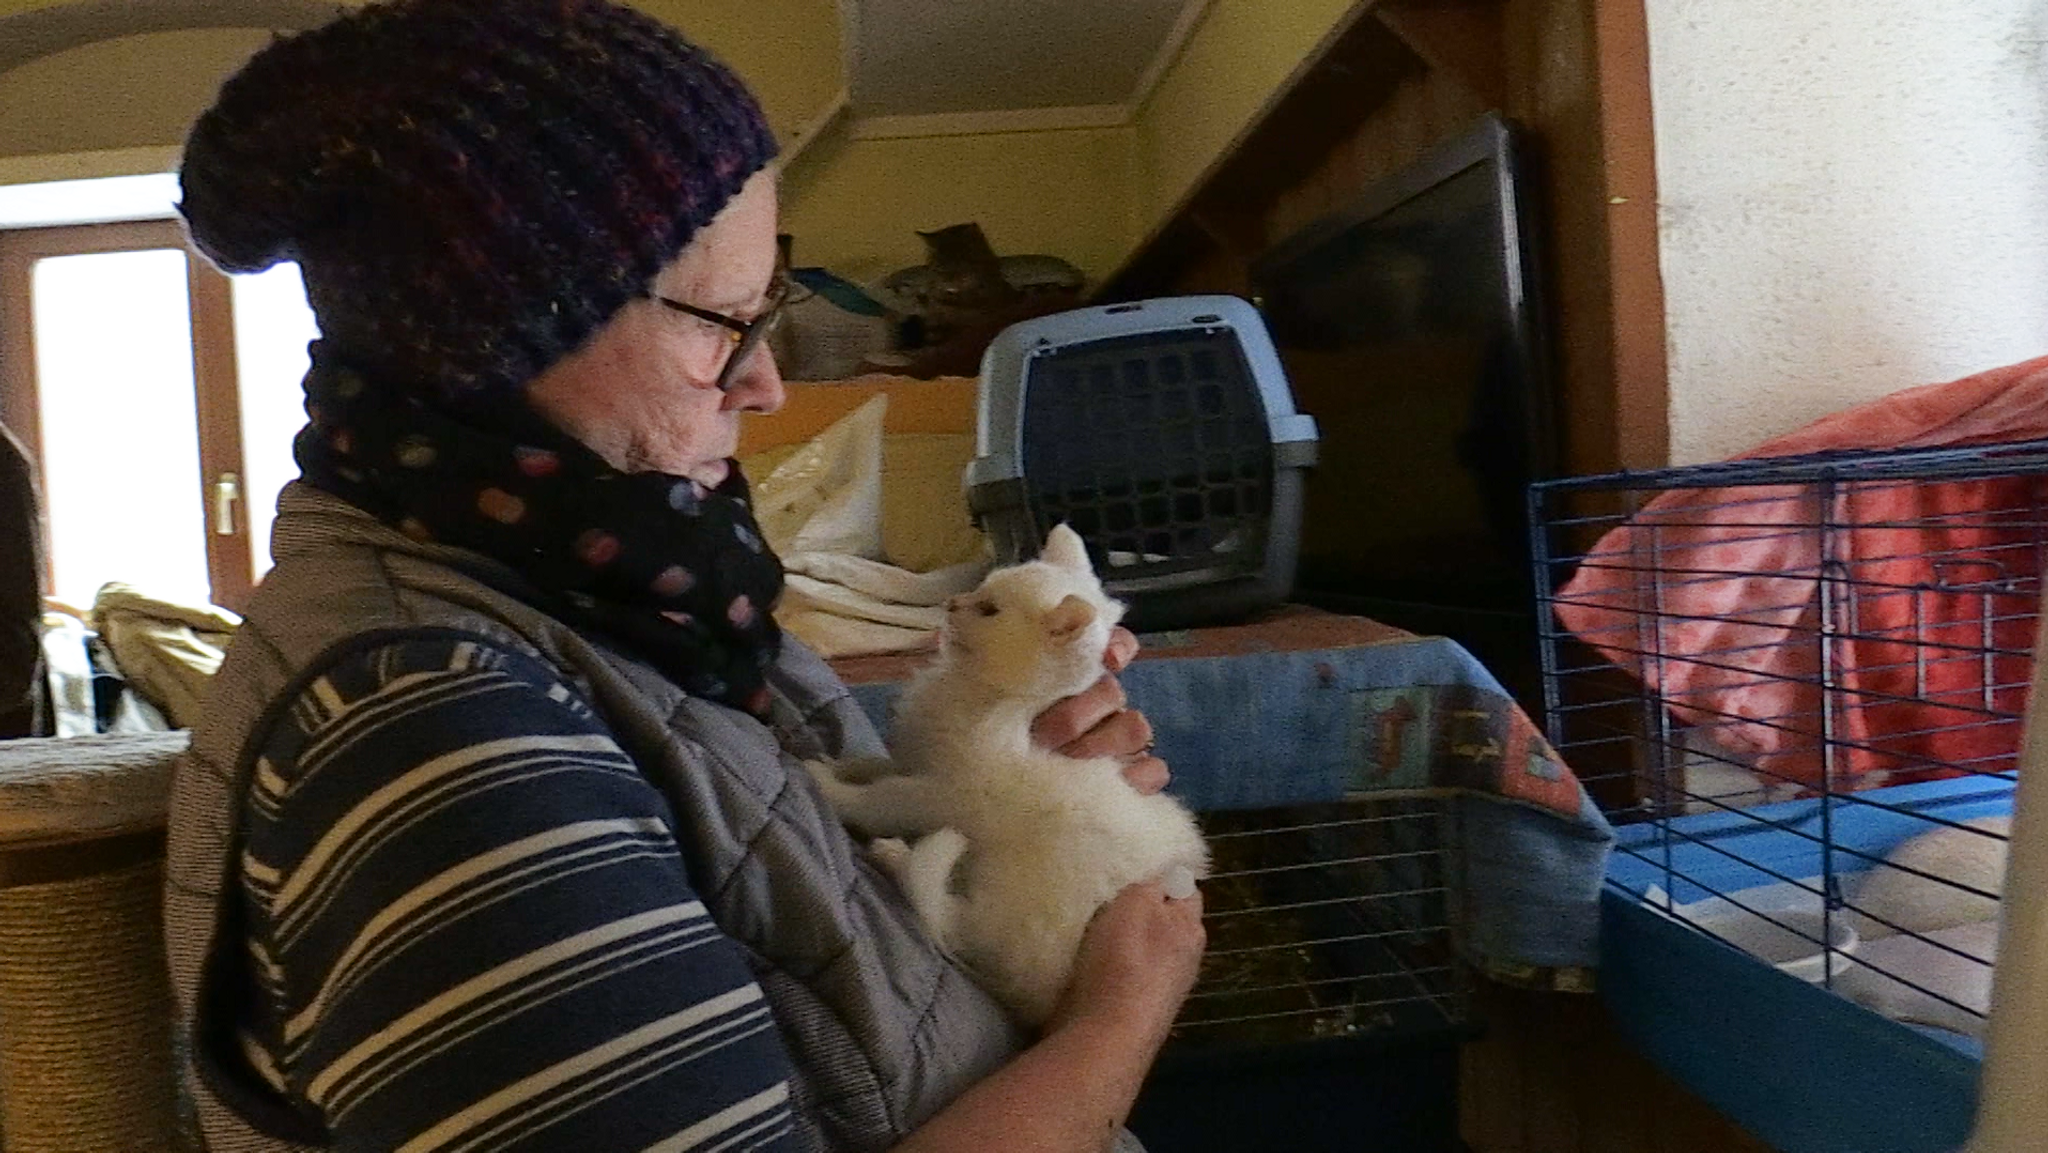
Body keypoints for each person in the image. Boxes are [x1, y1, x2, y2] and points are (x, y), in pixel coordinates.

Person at [162, 1, 1204, 1150]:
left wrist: (999, 776)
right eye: (727, 319)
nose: (764, 382)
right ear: (511, 331)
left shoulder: (625, 591)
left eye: (775, 301)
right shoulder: (434, 739)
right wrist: (1121, 1015)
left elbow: (800, 908)